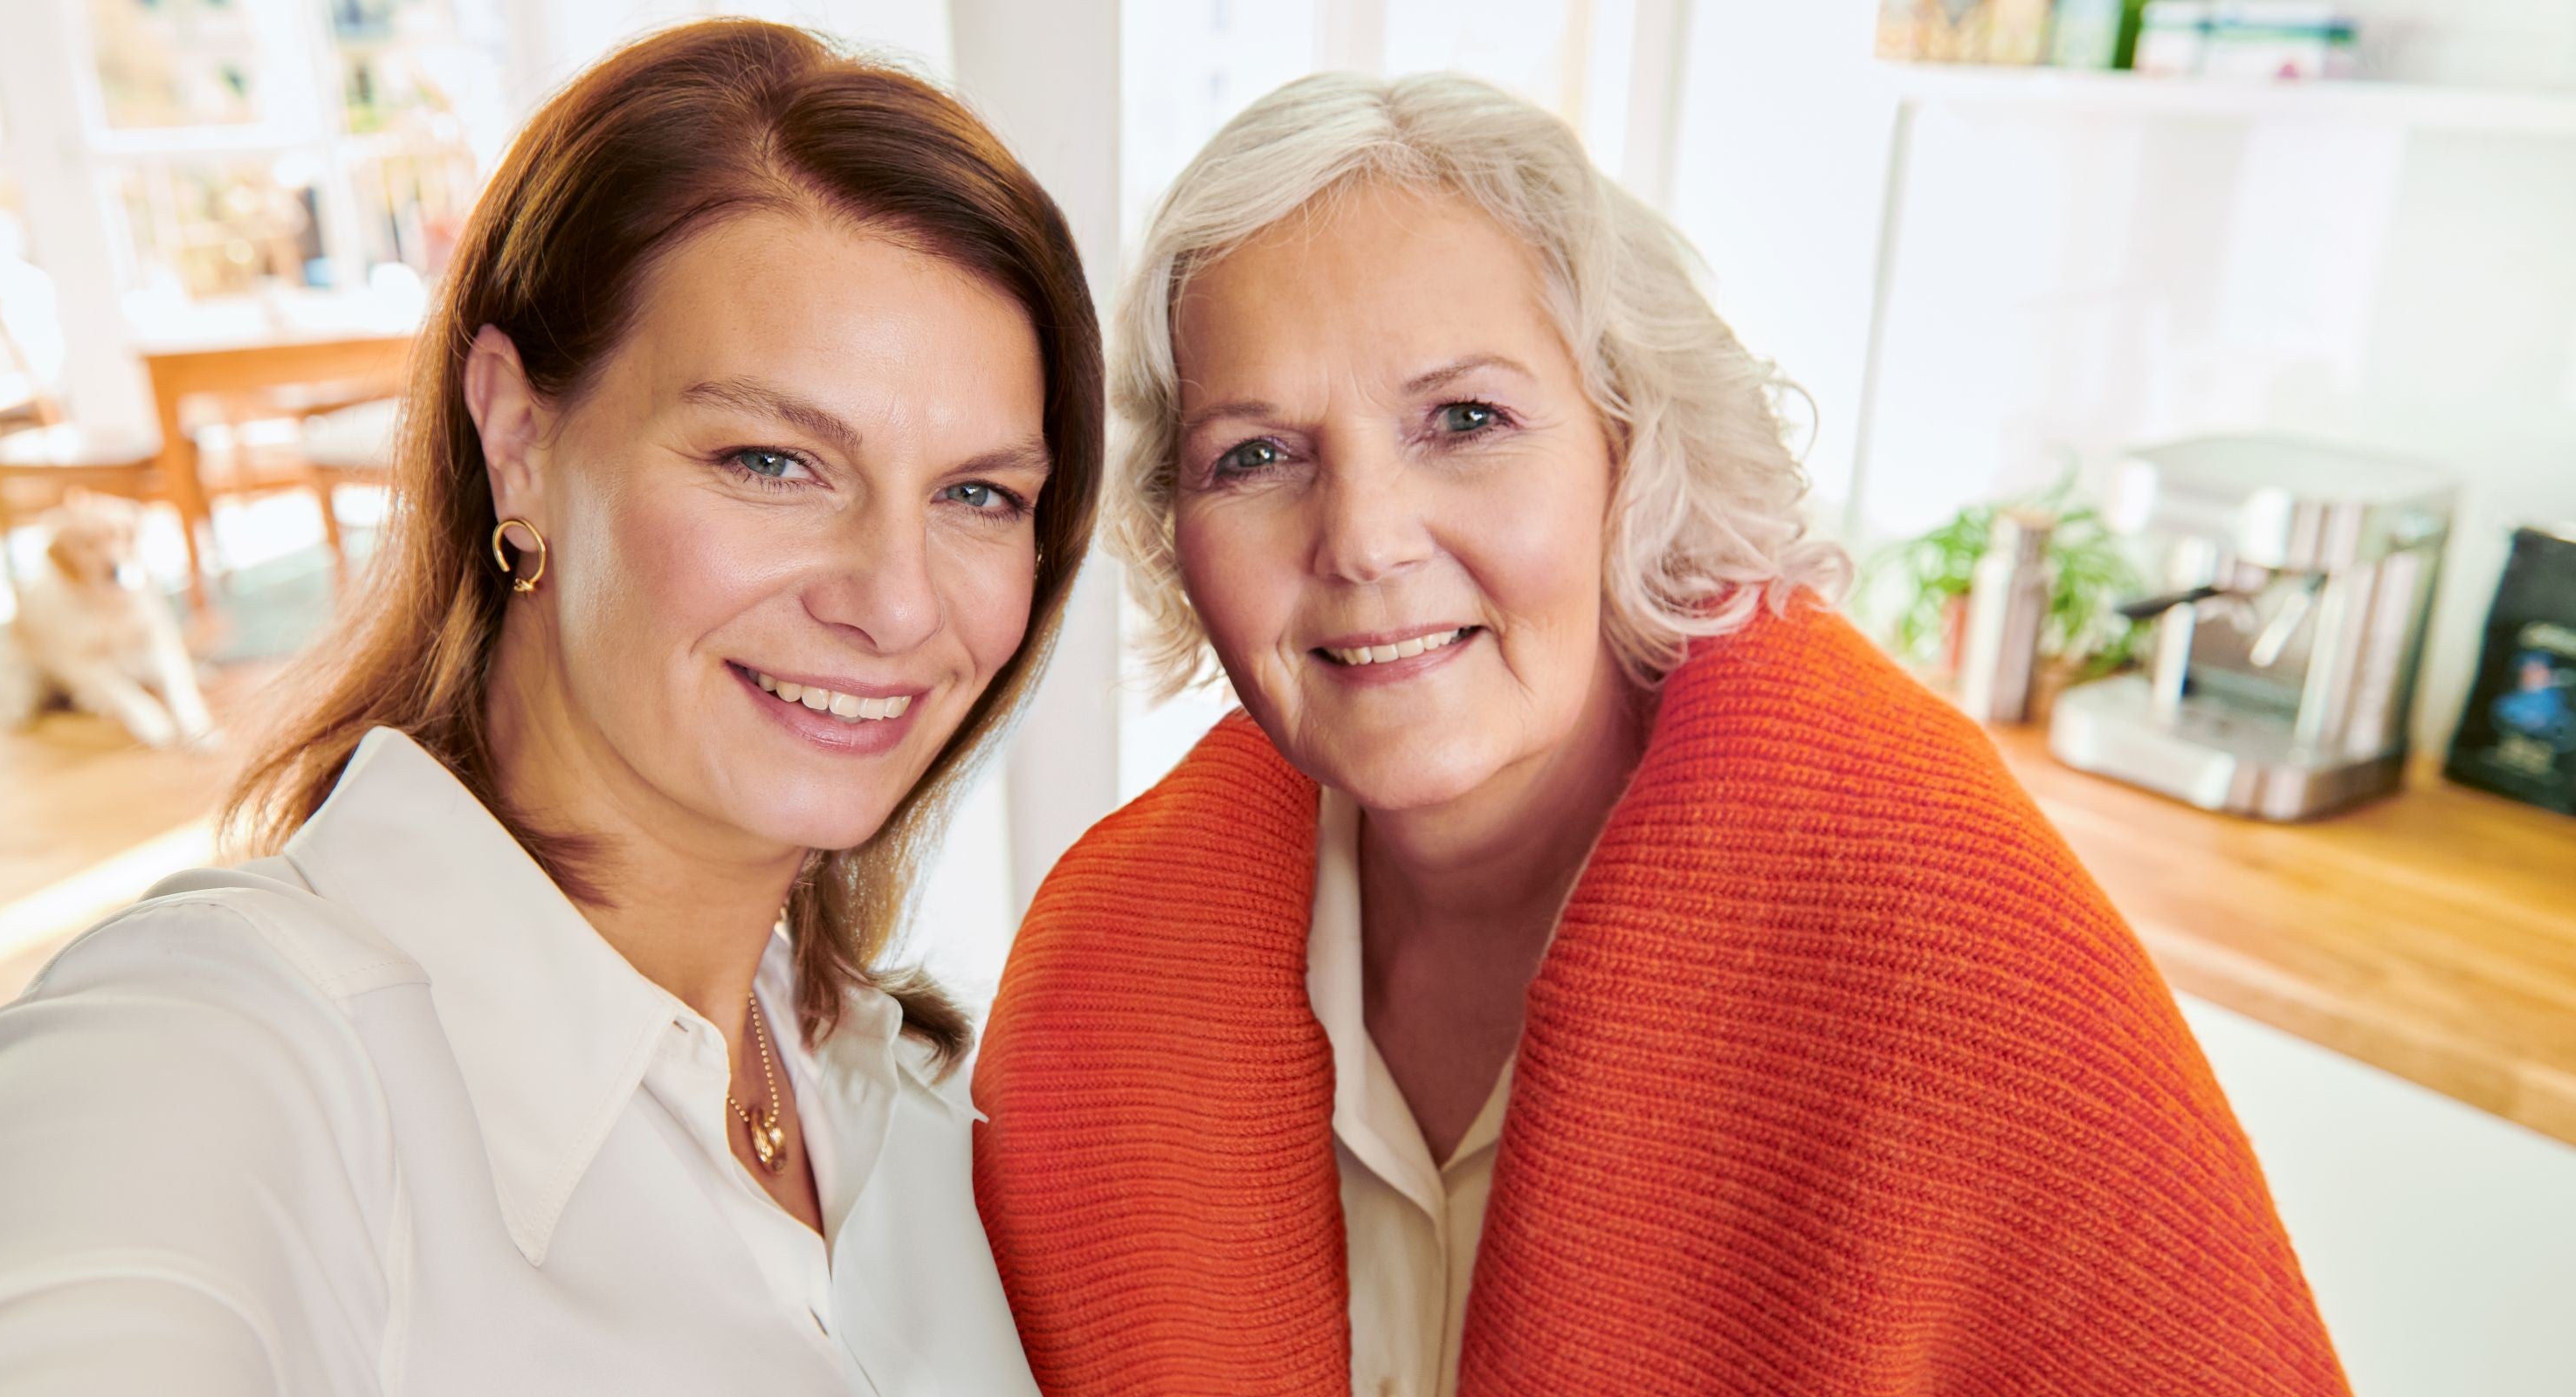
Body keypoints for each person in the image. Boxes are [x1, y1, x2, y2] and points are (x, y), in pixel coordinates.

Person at [973, 72, 2348, 1397]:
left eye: (1467, 420)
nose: (1367, 541)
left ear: (1635, 458)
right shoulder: (1099, 959)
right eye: (1257, 456)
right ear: (1178, 532)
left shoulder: (1957, 952)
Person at [0, 20, 1095, 1396]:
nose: (898, 604)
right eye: (774, 460)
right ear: (519, 441)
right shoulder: (204, 1059)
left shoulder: (885, 1080)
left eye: (979, 495)